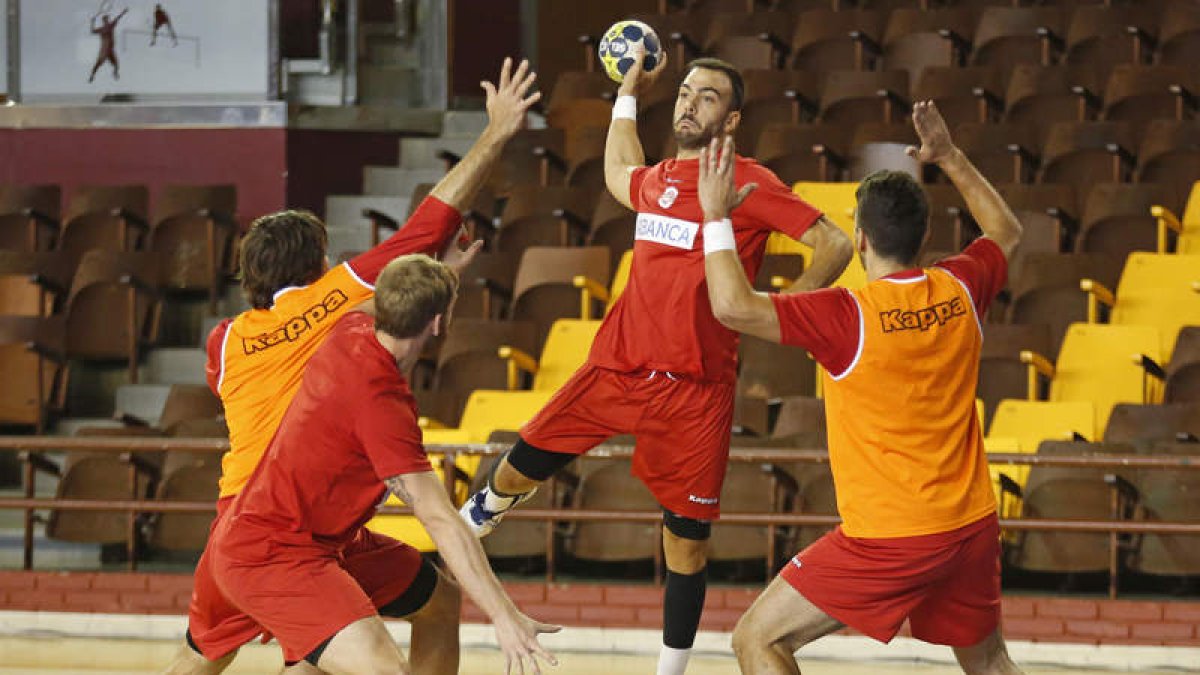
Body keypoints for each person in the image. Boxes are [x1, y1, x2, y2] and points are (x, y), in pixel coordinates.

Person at [459, 50, 853, 675]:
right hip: (615, 368)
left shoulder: (748, 183)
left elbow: (835, 242)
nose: (689, 104)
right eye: (686, 92)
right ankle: (486, 512)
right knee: (512, 468)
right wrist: (627, 94)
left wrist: (777, 311)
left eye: (707, 97)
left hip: (695, 391)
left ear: (732, 119)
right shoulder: (660, 178)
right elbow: (620, 168)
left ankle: (670, 670)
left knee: (686, 545)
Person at [163, 57, 542, 675]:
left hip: (256, 515)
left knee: (204, 653)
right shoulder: (341, 300)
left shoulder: (224, 342)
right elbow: (433, 222)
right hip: (281, 526)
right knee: (323, 650)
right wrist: (496, 132)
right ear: (317, 263)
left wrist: (436, 281)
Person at [696, 103, 1025, 675]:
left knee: (756, 639)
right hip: (970, 524)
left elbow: (730, 306)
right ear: (925, 235)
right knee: (990, 662)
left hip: (889, 538)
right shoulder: (961, 286)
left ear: (860, 236)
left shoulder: (847, 314)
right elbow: (1005, 231)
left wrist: (714, 216)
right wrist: (948, 155)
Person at [209, 255, 560, 675]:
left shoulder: (347, 329)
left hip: (322, 542)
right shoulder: (381, 405)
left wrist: (438, 277)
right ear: (437, 323)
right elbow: (441, 520)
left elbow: (384, 300)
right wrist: (504, 615)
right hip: (273, 554)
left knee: (437, 602)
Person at [88, 8, 128, 83]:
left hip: (109, 49)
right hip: (104, 49)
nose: (107, 20)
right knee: (98, 64)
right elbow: (92, 31)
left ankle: (115, 73)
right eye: (105, 19)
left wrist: (123, 12)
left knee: (116, 64)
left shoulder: (110, 26)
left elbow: (117, 18)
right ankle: (92, 75)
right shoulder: (103, 28)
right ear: (104, 21)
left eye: (107, 19)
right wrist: (92, 22)